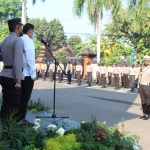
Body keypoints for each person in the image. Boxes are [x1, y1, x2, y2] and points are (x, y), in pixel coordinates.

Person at [0, 18, 24, 120]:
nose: (21, 29)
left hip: (4, 74)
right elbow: (17, 62)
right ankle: (9, 132)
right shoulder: (18, 40)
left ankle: (3, 129)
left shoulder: (4, 41)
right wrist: (18, 80)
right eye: (21, 27)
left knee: (6, 103)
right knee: (13, 106)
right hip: (12, 77)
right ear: (18, 27)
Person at [18, 23, 36, 121]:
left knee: (18, 98)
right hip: (27, 75)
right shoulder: (29, 42)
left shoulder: (19, 39)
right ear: (30, 31)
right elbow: (30, 59)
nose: (33, 33)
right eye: (33, 31)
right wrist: (33, 74)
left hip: (18, 74)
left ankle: (16, 119)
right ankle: (21, 119)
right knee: (25, 98)